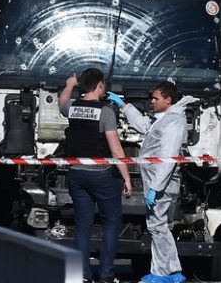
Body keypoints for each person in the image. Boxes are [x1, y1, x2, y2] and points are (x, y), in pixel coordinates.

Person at [107, 82, 195, 283]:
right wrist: (124, 105)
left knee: (158, 227)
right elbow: (144, 125)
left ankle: (165, 273)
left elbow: (167, 158)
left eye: (156, 98)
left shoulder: (174, 123)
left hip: (162, 185)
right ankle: (168, 271)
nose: (152, 102)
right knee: (158, 226)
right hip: (157, 184)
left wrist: (155, 188)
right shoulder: (163, 120)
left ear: (168, 100)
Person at [58, 68, 132, 283]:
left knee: (83, 225)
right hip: (101, 176)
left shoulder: (73, 108)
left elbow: (61, 102)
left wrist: (70, 84)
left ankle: (82, 275)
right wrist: (126, 176)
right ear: (100, 84)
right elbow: (116, 149)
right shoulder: (105, 111)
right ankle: (107, 274)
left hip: (76, 174)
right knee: (111, 223)